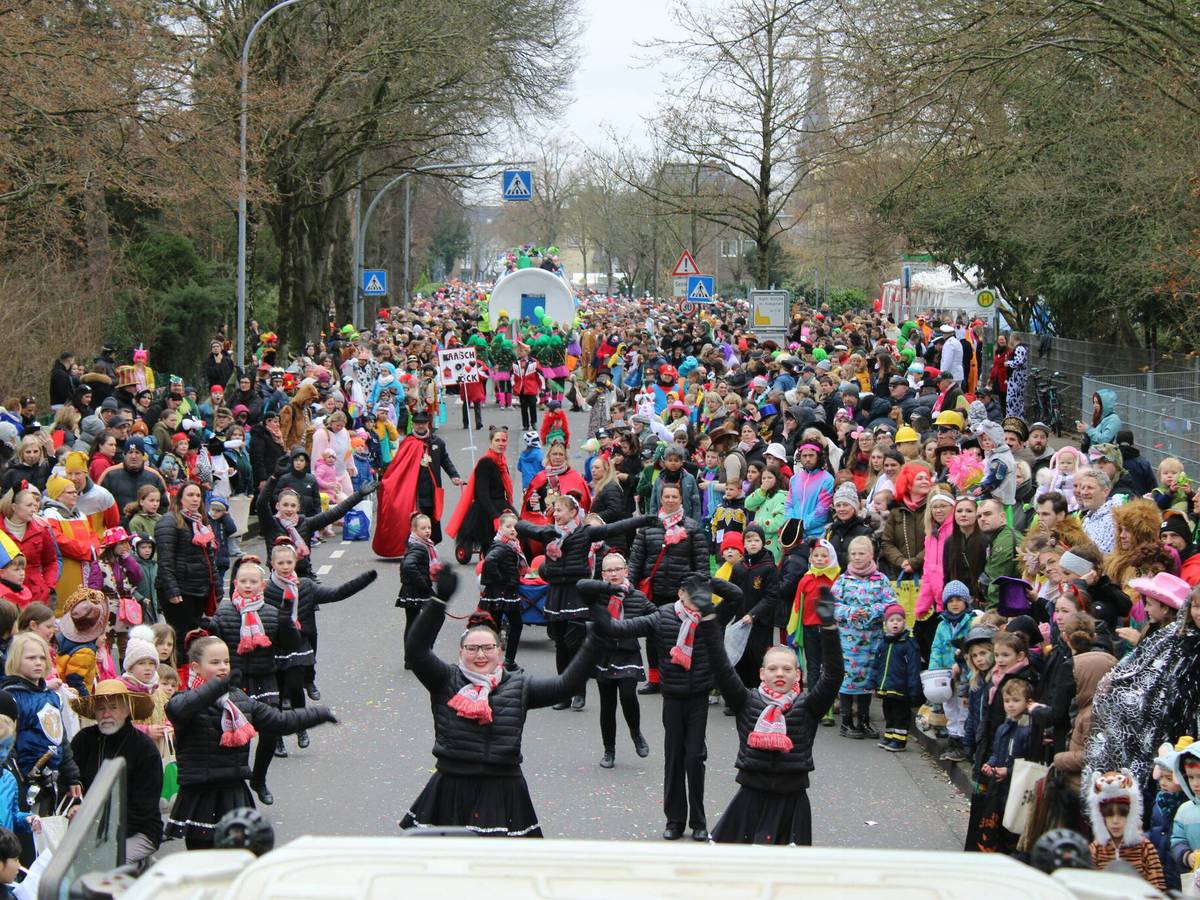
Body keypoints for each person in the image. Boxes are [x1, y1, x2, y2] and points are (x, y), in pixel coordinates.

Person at [401, 569, 598, 837]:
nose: (480, 655)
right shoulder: (445, 679)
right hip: (452, 787)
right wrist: (438, 602)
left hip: (504, 790)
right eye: (472, 649)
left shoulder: (519, 685)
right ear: (461, 652)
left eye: (488, 648)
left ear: (500, 651)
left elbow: (566, 684)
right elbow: (417, 651)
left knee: (502, 873)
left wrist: (597, 638)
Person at [593, 573, 743, 843]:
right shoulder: (662, 616)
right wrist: (596, 610)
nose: (698, 599)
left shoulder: (711, 617)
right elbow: (623, 628)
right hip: (672, 697)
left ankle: (699, 821)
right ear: (680, 594)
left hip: (698, 696)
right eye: (692, 593)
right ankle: (674, 820)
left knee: (695, 758)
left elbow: (736, 596)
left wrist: (709, 580)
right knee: (674, 758)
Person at [695, 586, 842, 845]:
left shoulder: (809, 706)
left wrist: (829, 628)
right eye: (773, 668)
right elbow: (720, 665)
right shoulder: (746, 701)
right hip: (751, 796)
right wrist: (708, 617)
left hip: (792, 800)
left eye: (787, 669)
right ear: (762, 673)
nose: (780, 674)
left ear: (798, 675)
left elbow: (832, 676)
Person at [166, 635, 336, 849]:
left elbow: (280, 721)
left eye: (226, 662)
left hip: (234, 793)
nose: (223, 667)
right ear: (195, 667)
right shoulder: (182, 700)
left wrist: (318, 714)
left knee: (241, 859)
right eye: (215, 662)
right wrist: (220, 686)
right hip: (201, 795)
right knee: (205, 861)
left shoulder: (239, 700)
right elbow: (181, 709)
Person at [517, 495, 650, 711]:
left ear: (573, 513)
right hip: (556, 594)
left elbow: (614, 528)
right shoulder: (549, 533)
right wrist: (541, 531)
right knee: (560, 644)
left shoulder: (585, 533)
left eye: (560, 510)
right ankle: (563, 693)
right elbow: (521, 525)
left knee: (576, 645)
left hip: (577, 592)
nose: (556, 514)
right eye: (555, 510)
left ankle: (579, 691)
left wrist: (642, 520)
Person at [263, 540, 376, 735]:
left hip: (298, 645)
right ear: (272, 564)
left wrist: (362, 580)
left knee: (296, 687)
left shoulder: (306, 585)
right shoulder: (265, 589)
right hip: (275, 647)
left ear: (295, 562)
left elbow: (336, 594)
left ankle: (300, 728)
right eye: (280, 563)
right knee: (278, 694)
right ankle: (277, 738)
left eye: (289, 563)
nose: (285, 567)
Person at [628, 482, 710, 694]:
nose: (671, 500)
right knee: (653, 636)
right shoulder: (648, 527)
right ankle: (654, 679)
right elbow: (636, 559)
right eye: (667, 497)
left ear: (681, 499)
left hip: (681, 594)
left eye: (675, 496)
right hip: (653, 592)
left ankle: (675, 678)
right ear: (661, 499)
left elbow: (701, 564)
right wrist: (630, 587)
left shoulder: (692, 527)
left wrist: (698, 594)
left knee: (680, 635)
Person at [69, 679, 163, 863]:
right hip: (86, 829)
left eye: (113, 707)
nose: (106, 714)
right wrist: (74, 805)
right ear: (94, 713)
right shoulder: (83, 740)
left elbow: (144, 809)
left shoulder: (144, 748)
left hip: (137, 830)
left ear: (127, 710)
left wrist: (101, 828)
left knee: (108, 861)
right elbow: (72, 780)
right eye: (101, 708)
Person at [579, 563, 654, 769]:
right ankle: (609, 749)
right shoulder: (598, 595)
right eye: (608, 570)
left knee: (628, 696)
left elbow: (654, 616)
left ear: (626, 571)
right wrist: (605, 589)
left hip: (628, 652)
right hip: (604, 653)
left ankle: (636, 733)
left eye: (617, 569)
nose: (613, 573)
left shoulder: (637, 597)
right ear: (602, 574)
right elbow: (581, 586)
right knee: (608, 705)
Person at [0, 632, 82, 807]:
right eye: (31, 658)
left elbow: (60, 740)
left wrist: (72, 777)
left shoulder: (52, 697)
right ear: (16, 659)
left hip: (52, 781)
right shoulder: (10, 697)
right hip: (21, 782)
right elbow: (7, 744)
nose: (38, 662)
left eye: (42, 657)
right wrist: (17, 779)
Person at [833, 536, 895, 740]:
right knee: (848, 680)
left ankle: (864, 720)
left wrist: (871, 611)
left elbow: (891, 604)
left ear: (871, 555)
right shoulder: (842, 580)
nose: (858, 558)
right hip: (847, 642)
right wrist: (850, 612)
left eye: (862, 553)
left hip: (872, 640)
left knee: (868, 680)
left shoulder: (881, 580)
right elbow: (831, 605)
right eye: (854, 554)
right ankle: (847, 722)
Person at [1086, 769, 1166, 890]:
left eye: (1122, 815)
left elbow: (1157, 889)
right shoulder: (1095, 849)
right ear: (1101, 817)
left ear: (1131, 815)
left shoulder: (1145, 848)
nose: (1115, 821)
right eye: (1109, 815)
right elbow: (1087, 888)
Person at [155, 482, 219, 635]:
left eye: (198, 495)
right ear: (180, 499)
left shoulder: (201, 522)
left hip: (199, 588)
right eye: (190, 495)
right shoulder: (169, 521)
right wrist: (172, 590)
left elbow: (209, 558)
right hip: (180, 590)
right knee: (180, 635)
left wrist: (216, 585)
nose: (195, 499)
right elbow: (165, 560)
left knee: (195, 635)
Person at [446, 426, 514, 562]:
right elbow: (482, 494)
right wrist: (495, 516)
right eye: (497, 440)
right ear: (491, 443)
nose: (501, 443)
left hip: (501, 503)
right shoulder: (485, 463)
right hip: (486, 507)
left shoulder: (502, 462)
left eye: (503, 440)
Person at [870, 603, 923, 751]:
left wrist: (914, 690)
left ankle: (900, 740)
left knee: (901, 714)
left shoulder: (908, 644)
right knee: (888, 712)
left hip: (901, 687)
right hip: (887, 687)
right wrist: (873, 682)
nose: (895, 623)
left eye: (898, 620)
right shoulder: (884, 644)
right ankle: (890, 735)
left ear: (904, 623)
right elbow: (876, 665)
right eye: (891, 620)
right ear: (885, 624)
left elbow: (913, 668)